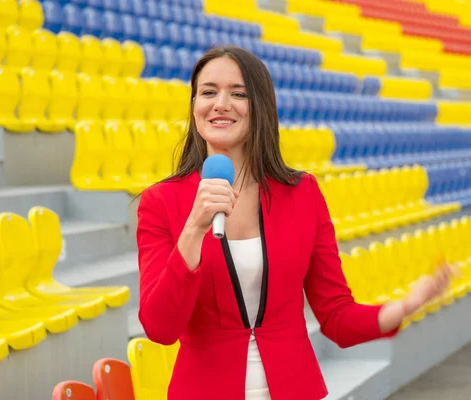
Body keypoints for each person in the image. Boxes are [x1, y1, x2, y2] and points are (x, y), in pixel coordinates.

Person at [136, 45, 453, 400]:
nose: (220, 103)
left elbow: (336, 315)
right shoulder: (160, 203)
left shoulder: (302, 194)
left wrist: (402, 308)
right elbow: (160, 327)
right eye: (208, 92)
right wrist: (194, 229)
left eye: (238, 93)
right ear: (194, 106)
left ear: (261, 107)